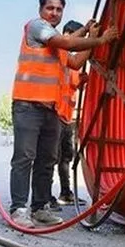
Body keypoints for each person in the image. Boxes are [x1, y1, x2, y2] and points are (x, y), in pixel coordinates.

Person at [9, 0, 118, 228]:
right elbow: (67, 42)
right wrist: (100, 40)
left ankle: (40, 208)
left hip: (52, 110)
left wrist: (89, 34)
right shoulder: (37, 27)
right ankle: (18, 209)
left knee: (47, 160)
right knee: (24, 158)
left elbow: (77, 61)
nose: (54, 13)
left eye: (59, 9)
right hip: (28, 105)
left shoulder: (56, 44)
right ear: (41, 10)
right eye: (50, 8)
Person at [52, 20, 91, 209]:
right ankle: (44, 197)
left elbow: (74, 80)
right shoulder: (60, 54)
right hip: (56, 114)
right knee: (51, 157)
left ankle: (65, 193)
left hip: (66, 116)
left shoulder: (70, 58)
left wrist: (83, 80)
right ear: (67, 34)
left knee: (66, 156)